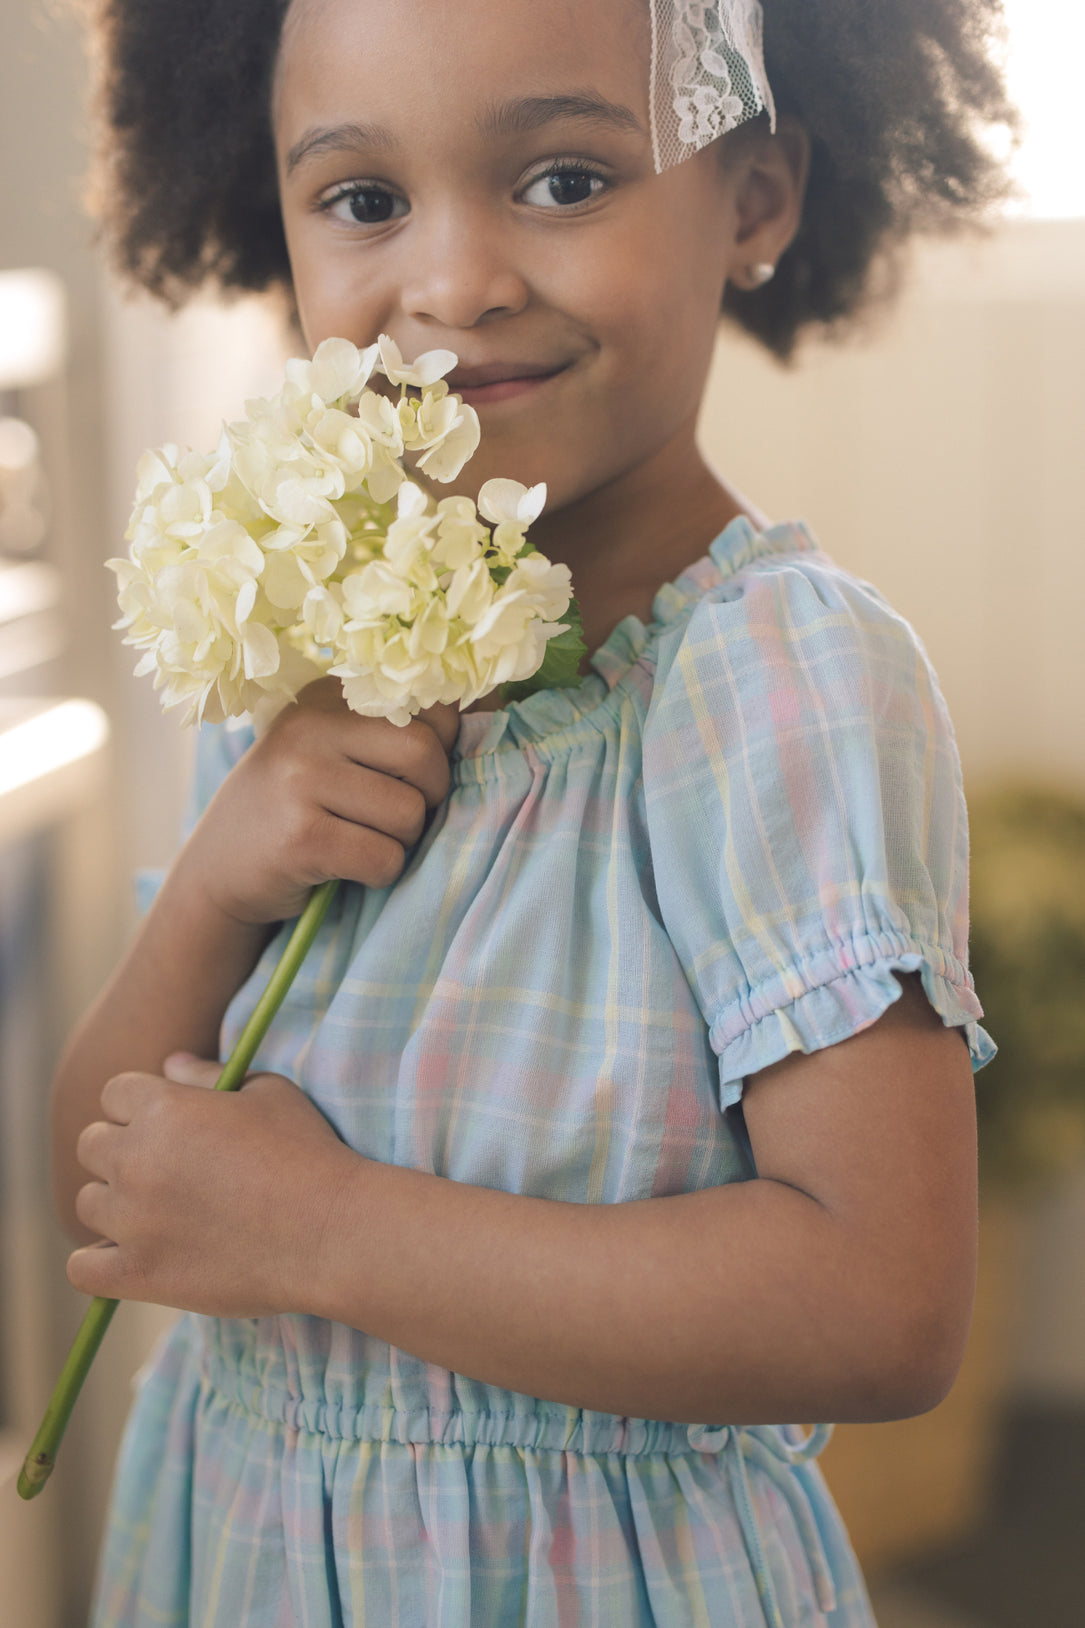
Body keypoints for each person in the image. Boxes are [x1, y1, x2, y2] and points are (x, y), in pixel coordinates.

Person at [56, 0, 1016, 1622]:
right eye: (363, 201)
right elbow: (95, 1182)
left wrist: (324, 1233)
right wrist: (214, 888)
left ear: (756, 200)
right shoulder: (312, 656)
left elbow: (878, 1303)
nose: (452, 283)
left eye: (564, 180)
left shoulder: (779, 683)